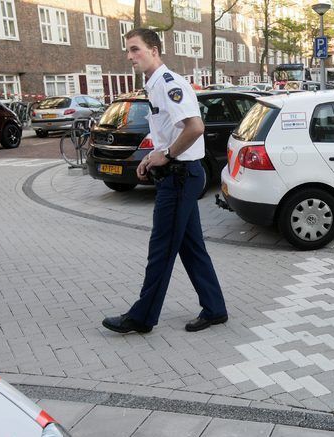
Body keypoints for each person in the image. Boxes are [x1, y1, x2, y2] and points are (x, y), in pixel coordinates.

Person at [102, 28, 228, 334]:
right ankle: (215, 308)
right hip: (179, 174)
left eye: (135, 49)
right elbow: (167, 131)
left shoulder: (170, 84)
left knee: (161, 249)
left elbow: (195, 127)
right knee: (191, 247)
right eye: (128, 51)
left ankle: (143, 317)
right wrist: (151, 157)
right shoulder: (155, 84)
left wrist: (167, 156)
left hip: (180, 176)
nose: (130, 56)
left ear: (154, 50)